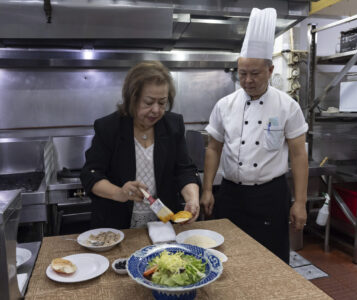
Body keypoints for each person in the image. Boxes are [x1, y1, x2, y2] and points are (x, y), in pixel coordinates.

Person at [200, 8, 308, 264]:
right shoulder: (224, 104)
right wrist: (207, 189)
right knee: (229, 258)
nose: (247, 80)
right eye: (242, 73)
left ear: (270, 70)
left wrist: (300, 202)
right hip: (231, 194)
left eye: (255, 73)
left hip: (269, 196)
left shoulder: (287, 106)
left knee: (271, 261)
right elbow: (213, 148)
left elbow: (299, 154)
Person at [80, 61, 200, 229]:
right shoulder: (109, 127)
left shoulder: (173, 126)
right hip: (117, 225)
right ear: (132, 99)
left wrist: (192, 200)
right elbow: (91, 175)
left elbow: (184, 170)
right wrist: (119, 193)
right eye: (149, 102)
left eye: (162, 102)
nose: (156, 110)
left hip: (163, 225)